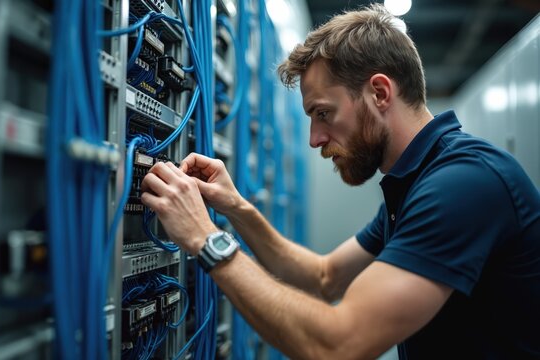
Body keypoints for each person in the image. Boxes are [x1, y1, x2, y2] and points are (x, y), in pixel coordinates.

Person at [140, 3, 540, 359]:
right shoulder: (419, 182)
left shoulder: (462, 185)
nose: (315, 139)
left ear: (380, 93)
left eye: (323, 114)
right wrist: (236, 208)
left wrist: (205, 240)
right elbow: (325, 277)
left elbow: (338, 344)